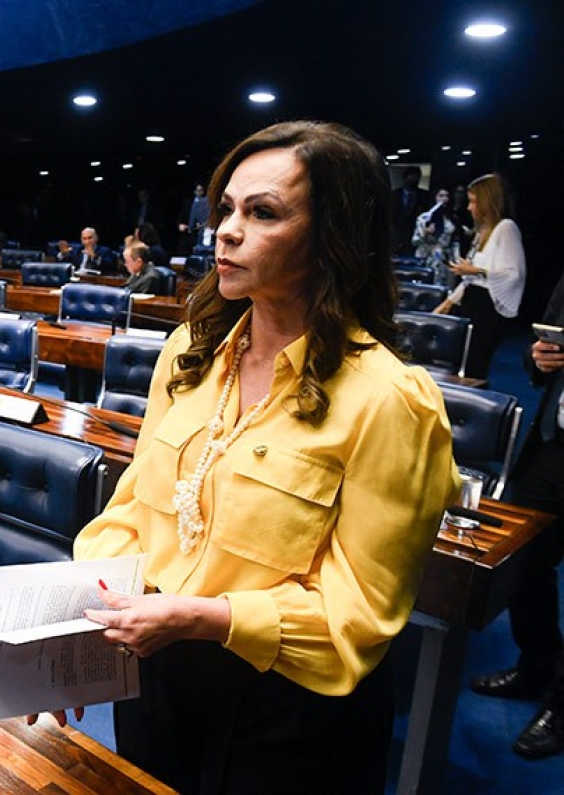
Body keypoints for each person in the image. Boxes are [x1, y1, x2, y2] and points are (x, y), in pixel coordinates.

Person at [30, 121, 459, 794]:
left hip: (290, 707)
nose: (226, 231)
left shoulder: (391, 398)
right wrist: (76, 631)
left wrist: (208, 617)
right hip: (159, 671)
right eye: (225, 209)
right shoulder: (188, 354)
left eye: (262, 213)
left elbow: (360, 617)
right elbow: (132, 512)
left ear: (334, 236)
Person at [469, 272, 564, 759]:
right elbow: (547, 336)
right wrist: (538, 359)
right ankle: (537, 667)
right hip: (553, 443)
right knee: (524, 560)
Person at [433, 174, 526, 380]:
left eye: (474, 201)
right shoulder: (483, 230)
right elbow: (470, 277)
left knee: (475, 364)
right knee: (462, 361)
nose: (469, 207)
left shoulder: (506, 229)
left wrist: (477, 271)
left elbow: (515, 274)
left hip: (487, 309)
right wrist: (449, 301)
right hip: (472, 301)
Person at [411, 188, 455, 283]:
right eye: (441, 196)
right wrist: (425, 233)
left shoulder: (451, 218)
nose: (444, 199)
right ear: (434, 197)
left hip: (443, 259)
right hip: (424, 257)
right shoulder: (423, 218)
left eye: (447, 196)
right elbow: (414, 241)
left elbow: (455, 242)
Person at [391, 166, 429, 256]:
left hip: (417, 236)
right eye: (412, 177)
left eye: (417, 178)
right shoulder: (393, 195)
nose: (415, 180)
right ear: (405, 178)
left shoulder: (425, 196)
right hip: (397, 235)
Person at [177, 183, 210, 254]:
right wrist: (181, 224)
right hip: (187, 232)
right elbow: (182, 215)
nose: (199, 193)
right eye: (197, 191)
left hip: (199, 233)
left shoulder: (206, 203)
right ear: (194, 191)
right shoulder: (188, 202)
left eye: (201, 190)